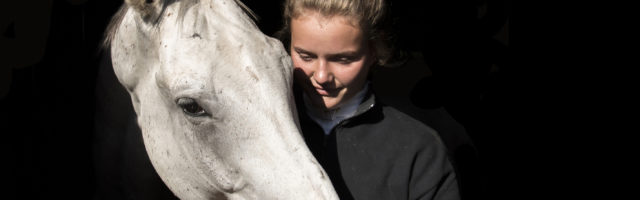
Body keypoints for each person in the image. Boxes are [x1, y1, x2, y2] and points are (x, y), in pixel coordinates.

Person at [275, 0, 461, 199]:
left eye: (343, 59)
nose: (321, 76)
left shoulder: (418, 149)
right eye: (306, 56)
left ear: (374, 51)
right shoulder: (268, 129)